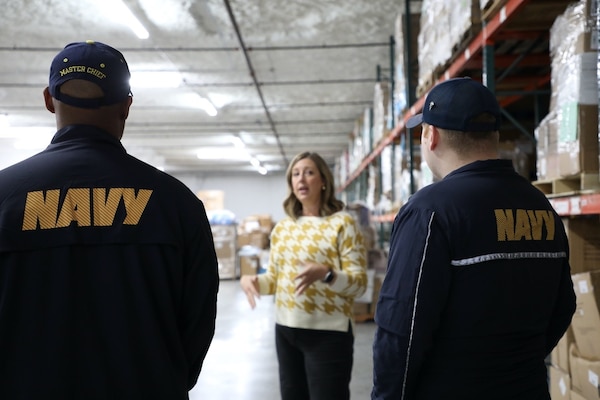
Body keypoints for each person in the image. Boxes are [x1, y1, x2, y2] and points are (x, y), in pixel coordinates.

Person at [0, 41, 219, 399]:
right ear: (126, 105)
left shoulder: (5, 195)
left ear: (48, 99)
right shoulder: (176, 204)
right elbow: (197, 322)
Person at [371, 77, 576, 400]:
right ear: (494, 135)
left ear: (430, 135)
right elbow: (564, 305)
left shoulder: (429, 210)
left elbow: (402, 329)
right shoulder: (540, 205)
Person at [240, 151, 368, 400]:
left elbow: (360, 285)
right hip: (286, 330)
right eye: (295, 174)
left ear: (323, 181)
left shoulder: (342, 223)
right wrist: (254, 280)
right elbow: (275, 280)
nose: (301, 179)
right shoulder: (284, 228)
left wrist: (327, 274)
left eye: (309, 172)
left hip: (329, 334)